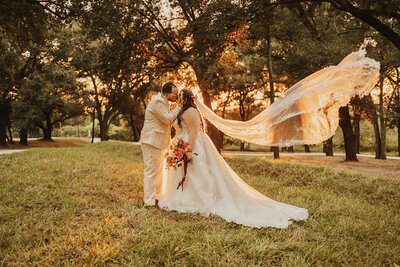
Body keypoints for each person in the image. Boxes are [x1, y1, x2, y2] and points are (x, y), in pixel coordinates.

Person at [158, 89, 309, 228]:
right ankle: (181, 198)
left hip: (192, 145)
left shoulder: (191, 111)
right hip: (180, 143)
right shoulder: (179, 111)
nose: (178, 99)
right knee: (184, 174)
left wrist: (188, 150)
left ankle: (196, 200)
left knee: (196, 173)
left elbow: (193, 132)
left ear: (187, 98)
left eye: (181, 97)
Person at [139, 82, 181, 206]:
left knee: (159, 171)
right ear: (167, 94)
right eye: (175, 95)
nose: (176, 97)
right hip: (151, 140)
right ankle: (149, 201)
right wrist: (179, 106)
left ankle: (156, 197)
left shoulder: (164, 102)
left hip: (158, 141)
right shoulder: (158, 102)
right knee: (151, 171)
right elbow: (167, 119)